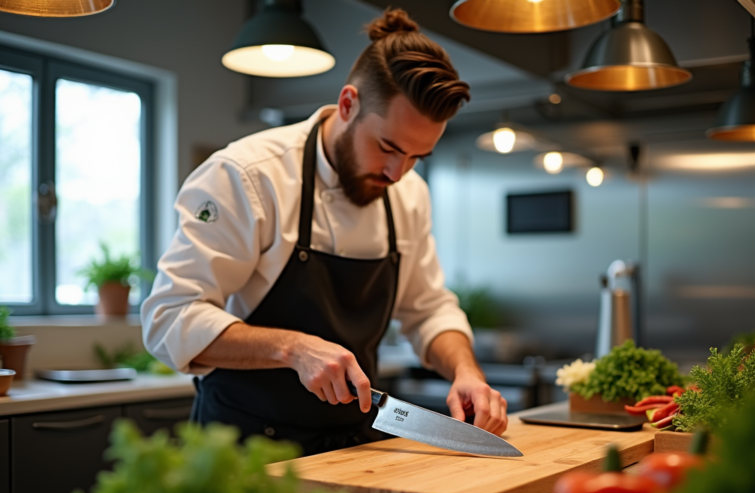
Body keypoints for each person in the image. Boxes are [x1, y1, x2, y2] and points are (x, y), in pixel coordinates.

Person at [141, 8, 508, 456]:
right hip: (243, 450)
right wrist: (291, 348)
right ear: (349, 103)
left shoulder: (409, 193)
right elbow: (169, 318)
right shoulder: (247, 176)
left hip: (353, 450)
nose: (398, 172)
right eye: (388, 147)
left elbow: (427, 310)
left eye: (417, 157)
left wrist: (465, 371)